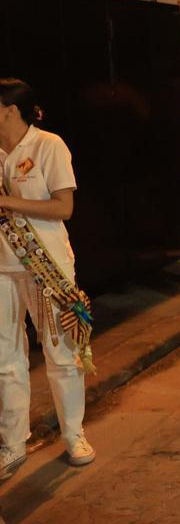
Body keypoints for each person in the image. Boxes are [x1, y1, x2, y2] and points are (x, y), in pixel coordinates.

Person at [0, 79, 94, 480]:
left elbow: (64, 207)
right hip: (1, 268)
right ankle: (12, 443)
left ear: (9, 110)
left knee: (61, 355)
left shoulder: (48, 146)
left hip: (47, 267)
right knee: (5, 359)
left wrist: (5, 200)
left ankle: (74, 434)